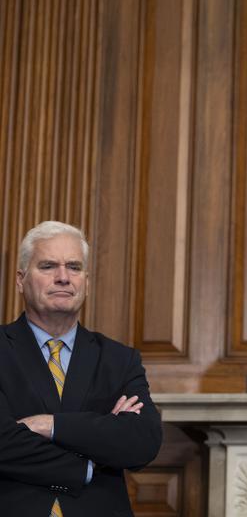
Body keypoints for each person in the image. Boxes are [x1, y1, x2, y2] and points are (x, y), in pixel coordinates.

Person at [0, 221, 162, 516]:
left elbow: (142, 441)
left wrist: (50, 425)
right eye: (48, 266)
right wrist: (90, 462)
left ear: (86, 282)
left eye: (74, 267)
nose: (63, 277)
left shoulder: (119, 359)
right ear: (21, 280)